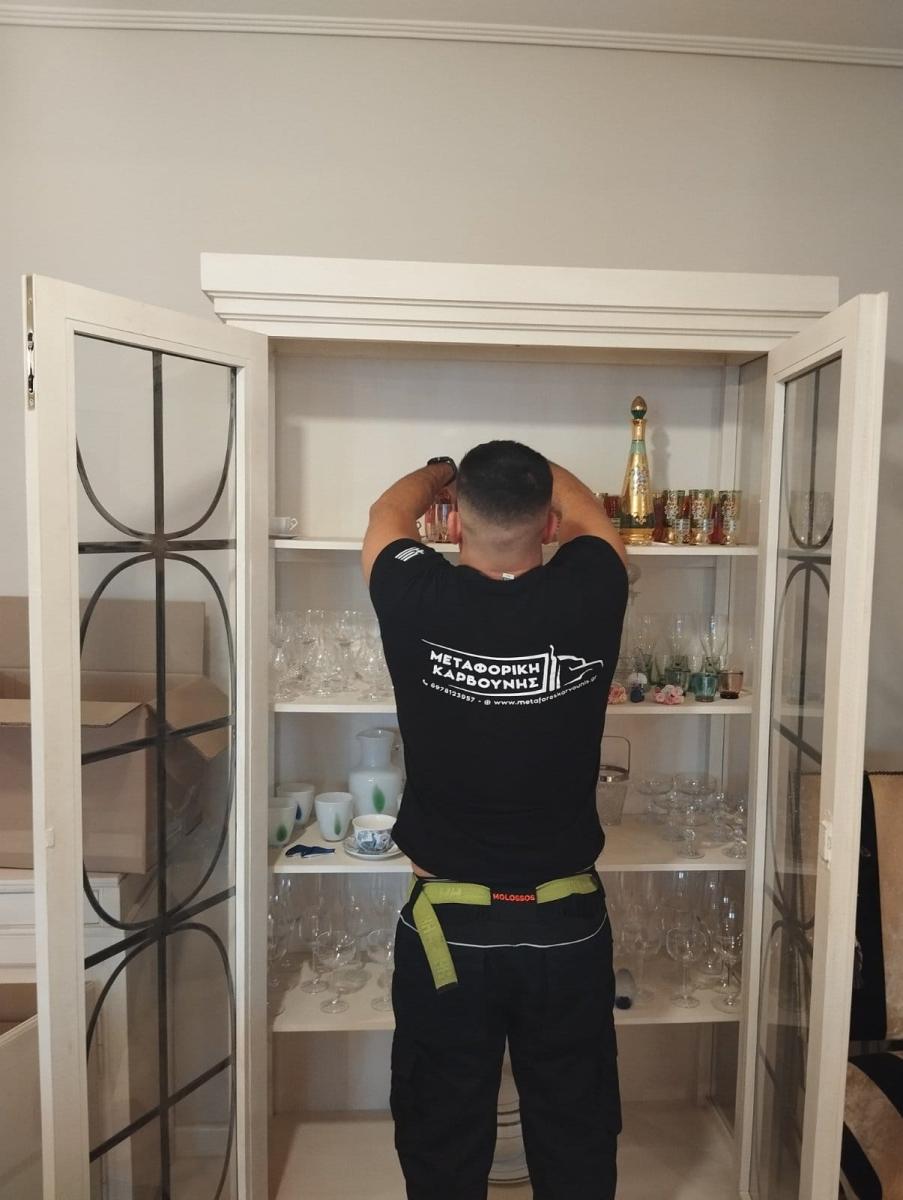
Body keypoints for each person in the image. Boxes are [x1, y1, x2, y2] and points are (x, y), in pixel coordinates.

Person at [362, 440, 628, 1200]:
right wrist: (535, 468)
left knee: (440, 1134)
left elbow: (385, 513)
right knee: (575, 1131)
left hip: (447, 928)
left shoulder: (413, 591)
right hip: (565, 922)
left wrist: (440, 474)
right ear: (548, 525)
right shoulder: (595, 583)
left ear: (450, 525)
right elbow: (591, 516)